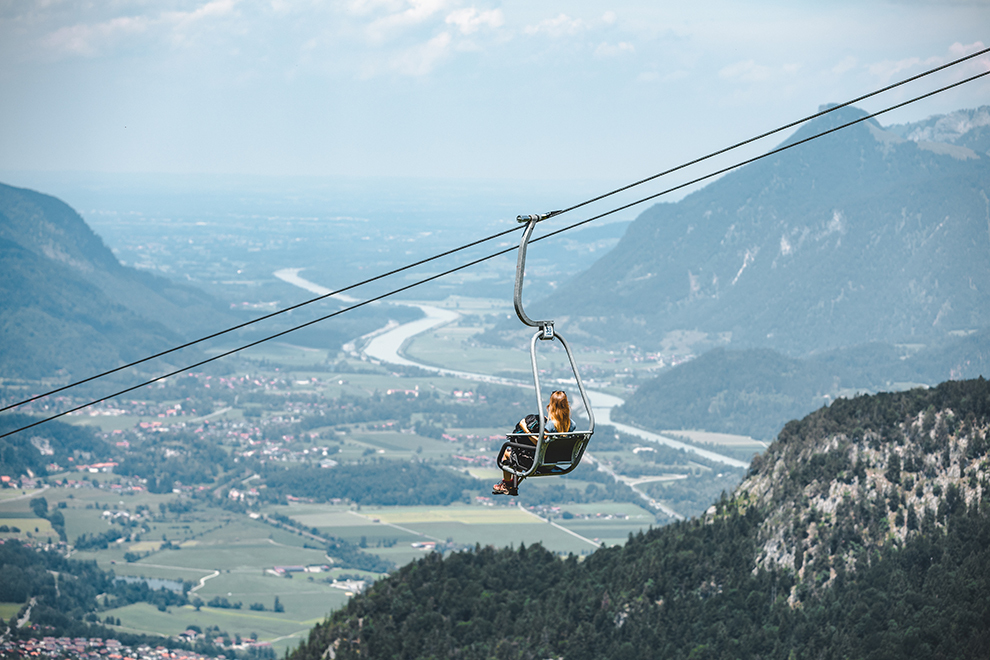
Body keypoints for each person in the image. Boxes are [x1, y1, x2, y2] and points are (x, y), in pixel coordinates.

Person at [493, 390, 575, 496]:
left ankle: (507, 484)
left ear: (551, 406)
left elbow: (540, 444)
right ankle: (510, 486)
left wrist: (525, 429)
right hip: (552, 462)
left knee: (508, 452)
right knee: (519, 457)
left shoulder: (550, 426)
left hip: (540, 464)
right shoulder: (572, 425)